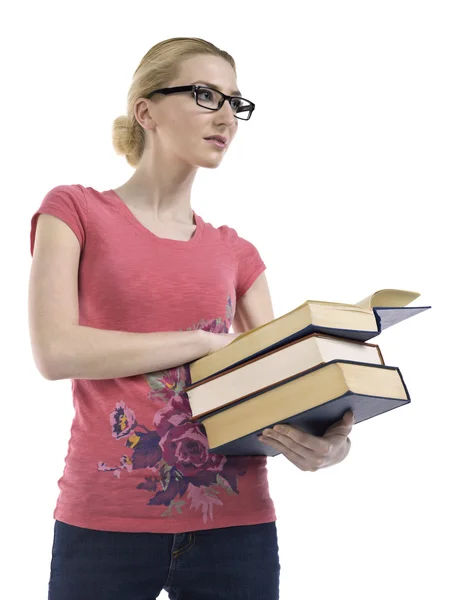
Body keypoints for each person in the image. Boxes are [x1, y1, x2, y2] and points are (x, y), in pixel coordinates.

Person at [28, 36, 352, 600]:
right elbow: (56, 352)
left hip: (237, 526)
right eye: (206, 95)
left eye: (235, 102)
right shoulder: (74, 210)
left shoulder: (236, 251)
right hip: (104, 522)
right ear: (145, 110)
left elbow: (271, 386)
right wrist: (198, 343)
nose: (226, 115)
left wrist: (330, 442)